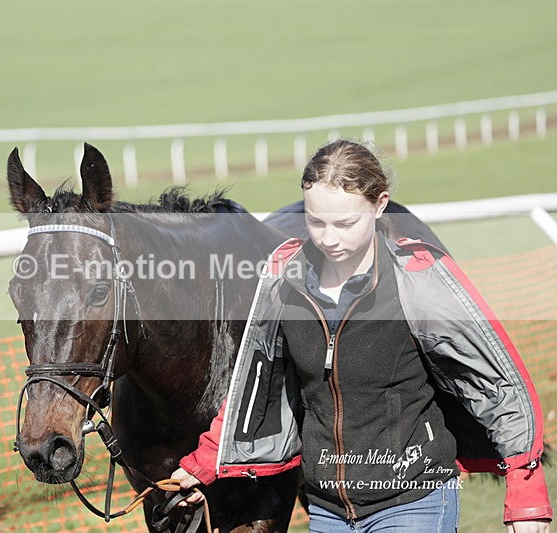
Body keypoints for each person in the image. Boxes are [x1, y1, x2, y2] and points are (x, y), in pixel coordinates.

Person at [172, 139, 552, 532]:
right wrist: (206, 462)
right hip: (327, 511)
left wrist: (527, 495)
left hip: (414, 500)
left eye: (345, 223)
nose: (329, 238)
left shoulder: (417, 278)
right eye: (315, 221)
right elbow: (257, 387)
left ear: (380, 204)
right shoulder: (284, 281)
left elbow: (495, 383)